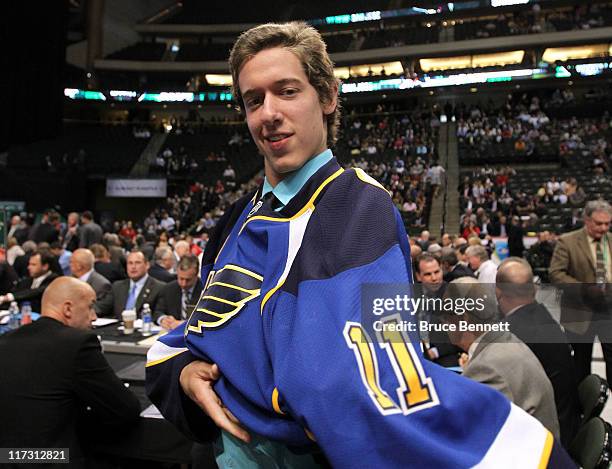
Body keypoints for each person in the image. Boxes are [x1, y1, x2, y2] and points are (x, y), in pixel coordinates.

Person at [146, 22, 572, 468]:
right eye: (254, 100)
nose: (268, 113)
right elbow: (195, 334)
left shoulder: (356, 207)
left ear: (328, 97)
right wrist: (184, 373)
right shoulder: (236, 216)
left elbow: (337, 380)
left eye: (287, 91)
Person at [0, 277, 140, 467]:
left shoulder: (6, 340)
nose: (94, 317)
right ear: (67, 309)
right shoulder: (78, 343)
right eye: (90, 307)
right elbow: (125, 409)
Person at [444, 278, 561, 440]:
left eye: (445, 315)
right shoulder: (505, 339)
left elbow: (474, 437)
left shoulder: (487, 368)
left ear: (463, 320)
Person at [496, 257, 580, 448]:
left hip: (547, 438)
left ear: (497, 290)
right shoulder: (542, 316)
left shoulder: (512, 334)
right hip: (565, 421)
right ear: (533, 288)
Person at [549, 200, 612, 383]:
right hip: (579, 310)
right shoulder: (567, 241)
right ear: (587, 220)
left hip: (609, 309)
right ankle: (582, 407)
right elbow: (556, 274)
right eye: (599, 223)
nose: (603, 228)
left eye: (607, 224)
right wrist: (584, 289)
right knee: (580, 364)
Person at [414, 253, 462, 367]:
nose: (434, 278)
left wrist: (435, 352)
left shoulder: (454, 294)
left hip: (444, 357)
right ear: (418, 276)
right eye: (428, 274)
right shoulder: (410, 294)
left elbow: (463, 335)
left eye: (437, 272)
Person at [97, 250, 165, 319]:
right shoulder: (117, 286)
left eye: (137, 263)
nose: (133, 267)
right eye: (130, 263)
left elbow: (158, 314)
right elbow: (102, 307)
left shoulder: (159, 287)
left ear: (147, 265)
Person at [155, 254, 203, 330]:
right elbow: (158, 311)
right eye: (181, 278)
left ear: (196, 275)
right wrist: (163, 319)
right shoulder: (168, 288)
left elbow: (207, 319)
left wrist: (184, 324)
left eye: (188, 280)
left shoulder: (206, 291)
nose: (183, 284)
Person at [70, 248, 111, 314]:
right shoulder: (69, 280)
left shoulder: (101, 284)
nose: (70, 265)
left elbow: (98, 309)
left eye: (71, 262)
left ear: (79, 266)